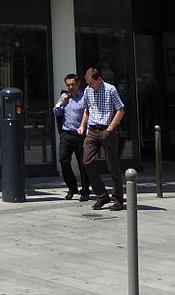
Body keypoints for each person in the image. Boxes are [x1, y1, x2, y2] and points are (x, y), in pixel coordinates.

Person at [79, 67, 126, 211]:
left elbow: (120, 109)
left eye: (92, 82)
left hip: (106, 129)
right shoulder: (88, 90)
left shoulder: (110, 89)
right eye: (88, 83)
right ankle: (101, 195)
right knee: (86, 161)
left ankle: (118, 199)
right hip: (92, 130)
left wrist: (111, 128)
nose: (89, 85)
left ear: (99, 79)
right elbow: (87, 109)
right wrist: (82, 125)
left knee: (112, 165)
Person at [53, 73, 90, 201]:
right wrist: (62, 103)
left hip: (80, 135)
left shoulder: (84, 97)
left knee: (83, 164)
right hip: (66, 134)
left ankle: (85, 190)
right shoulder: (64, 97)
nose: (70, 87)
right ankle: (72, 188)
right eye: (68, 85)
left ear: (78, 84)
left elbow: (88, 113)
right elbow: (56, 112)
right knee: (63, 160)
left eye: (73, 84)